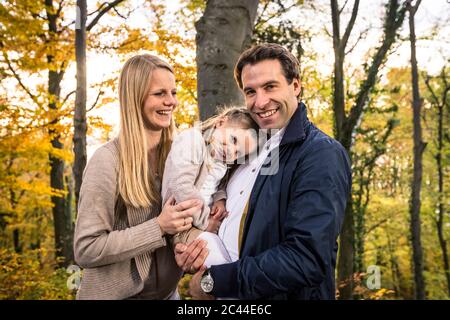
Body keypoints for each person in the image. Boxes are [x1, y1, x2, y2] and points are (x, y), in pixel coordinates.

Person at [174, 43, 352, 300]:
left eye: (270, 87)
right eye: (250, 91)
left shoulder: (320, 154)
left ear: (296, 86)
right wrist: (197, 250)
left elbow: (306, 258)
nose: (260, 101)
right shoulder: (242, 151)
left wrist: (217, 281)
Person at [73, 54, 203, 300]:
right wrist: (158, 227)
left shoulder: (181, 156)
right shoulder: (107, 161)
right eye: (159, 93)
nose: (171, 102)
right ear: (135, 98)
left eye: (173, 92)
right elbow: (86, 249)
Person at [161, 106, 259, 267]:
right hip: (182, 224)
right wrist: (206, 222)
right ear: (220, 122)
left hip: (200, 222)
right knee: (219, 264)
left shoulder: (221, 161)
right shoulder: (192, 140)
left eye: (238, 153)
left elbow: (217, 184)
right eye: (234, 139)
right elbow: (181, 185)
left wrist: (220, 199)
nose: (231, 152)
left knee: (236, 259)